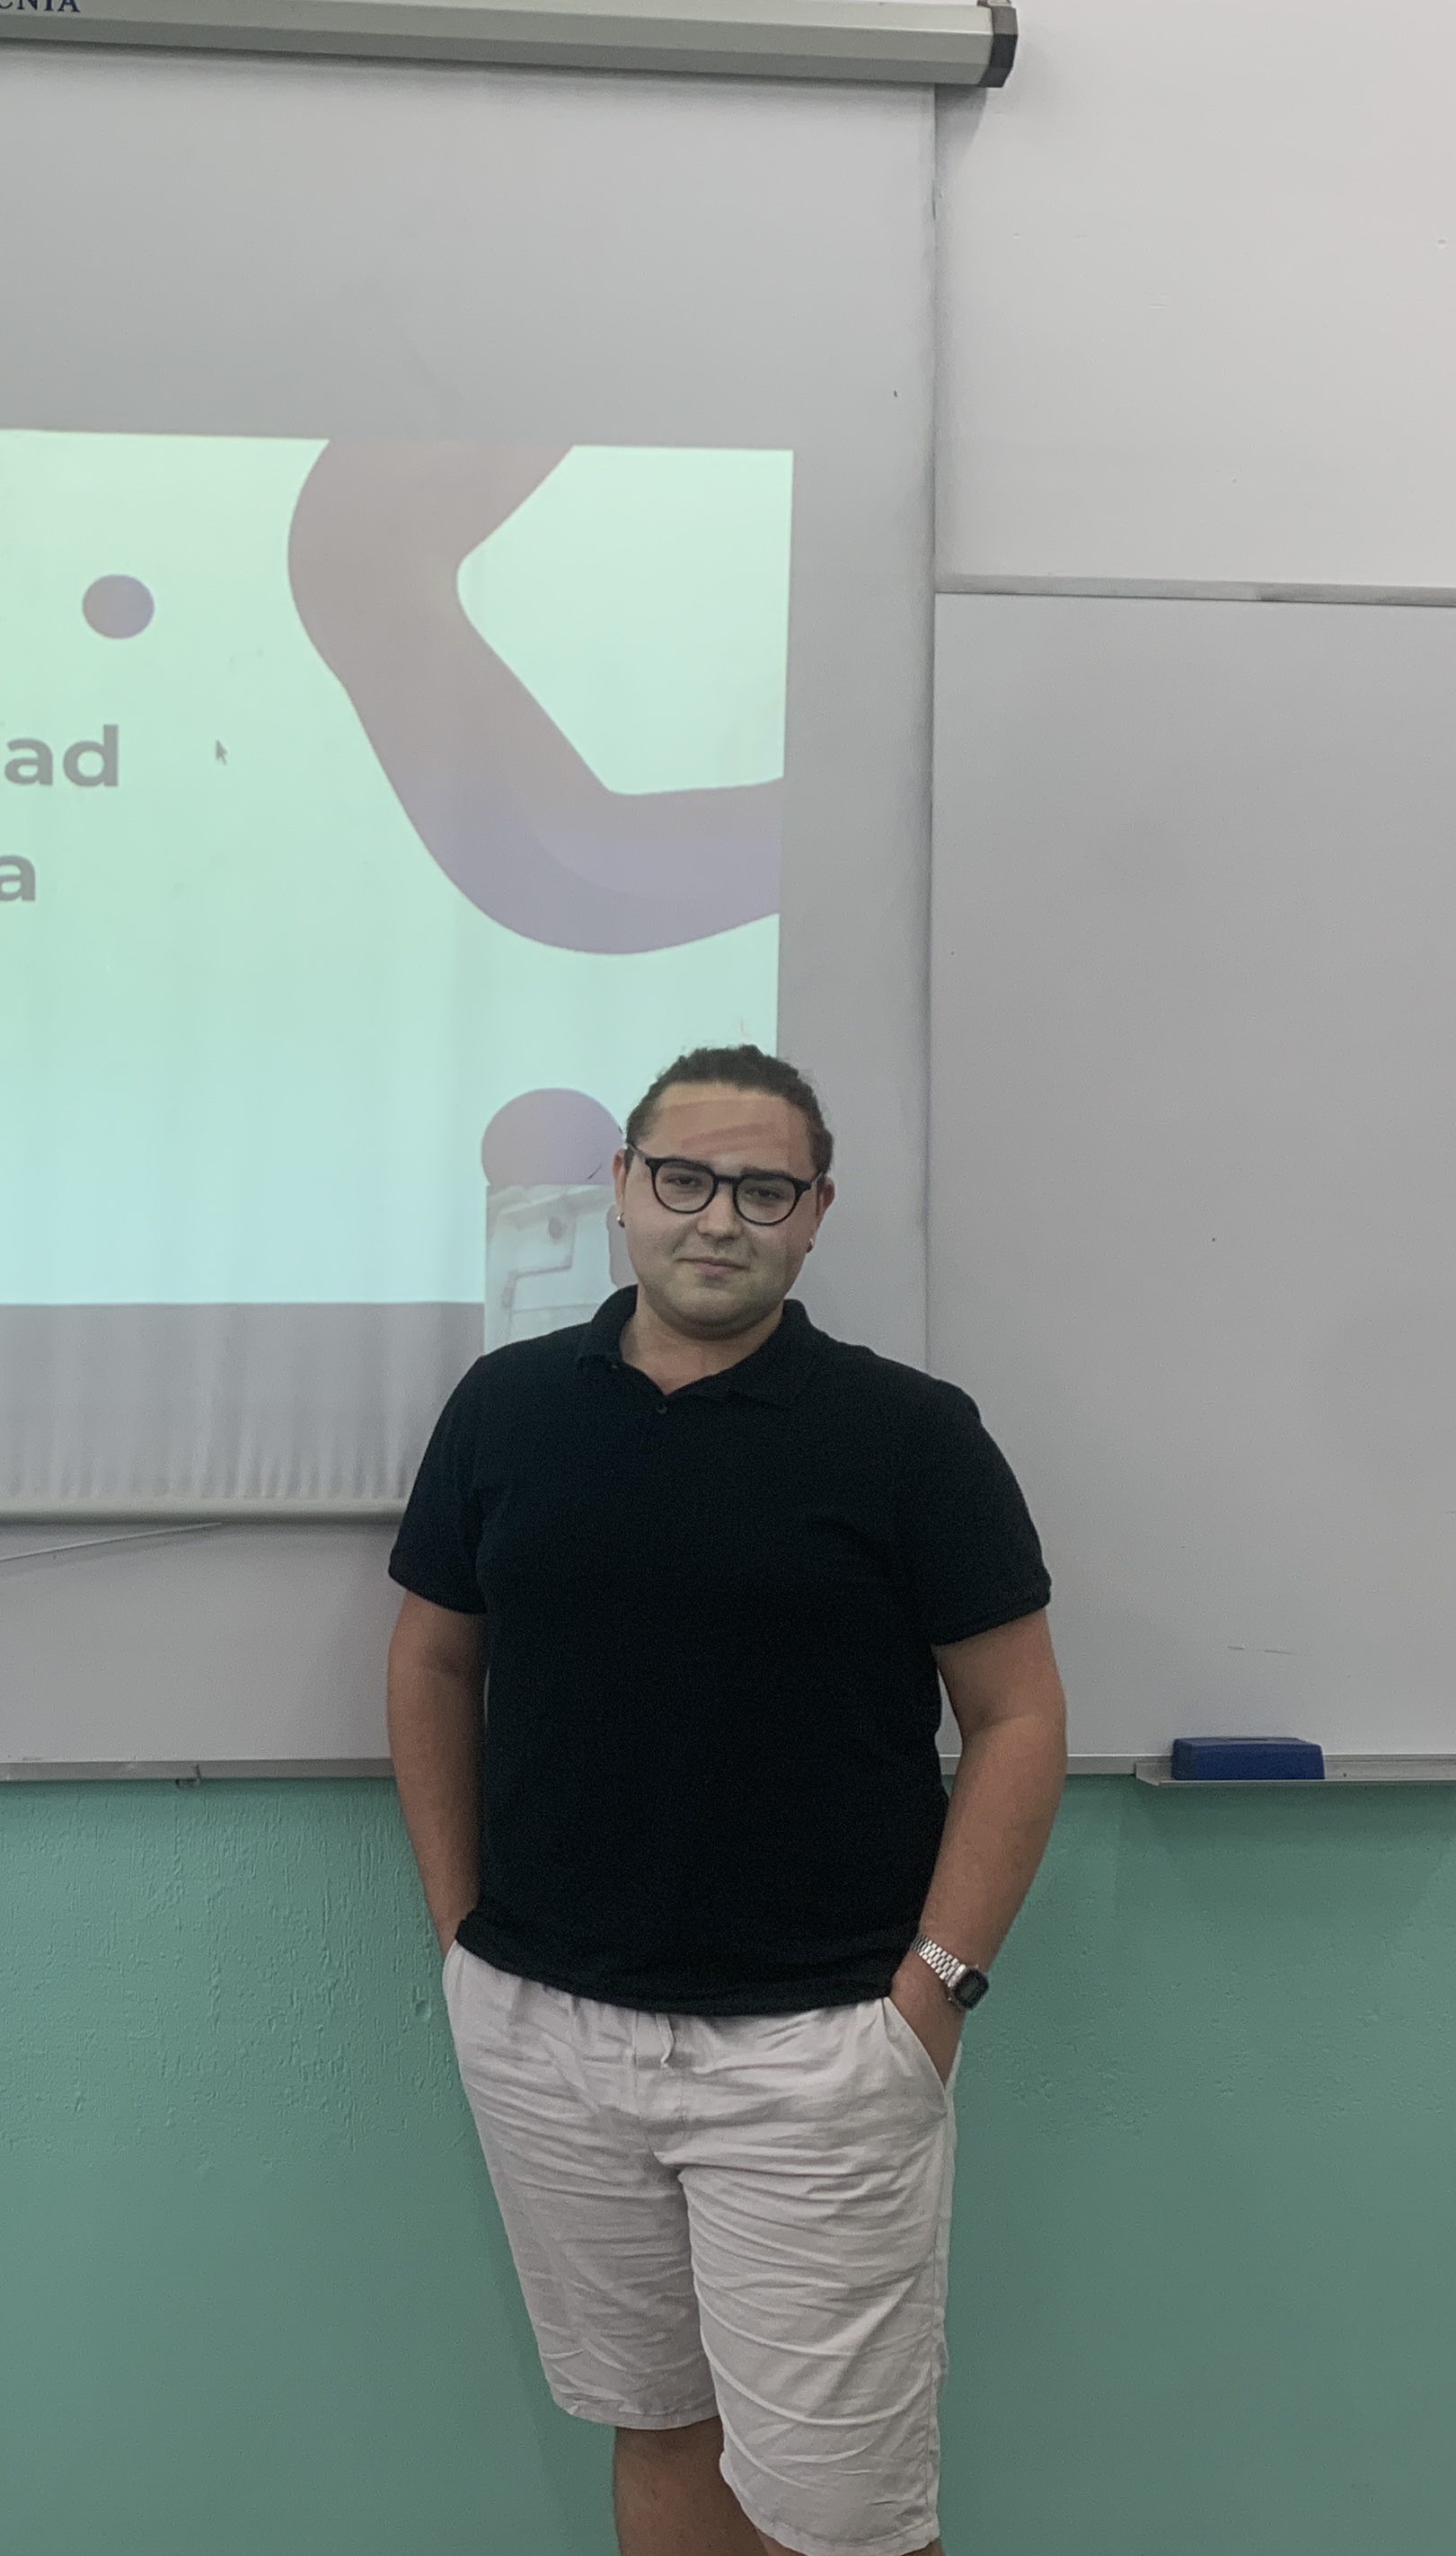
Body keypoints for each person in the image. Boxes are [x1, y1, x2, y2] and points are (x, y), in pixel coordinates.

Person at [386, 1044, 1066, 2556]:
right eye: (684, 1178)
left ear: (814, 1215)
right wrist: (462, 1939)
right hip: (547, 2029)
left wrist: (935, 1992)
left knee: (843, 2512)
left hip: (821, 2047)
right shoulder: (506, 1408)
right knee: (657, 2423)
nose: (718, 1218)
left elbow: (1017, 1716)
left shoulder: (911, 1437)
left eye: (764, 1190)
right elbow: (432, 1661)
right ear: (622, 1190)